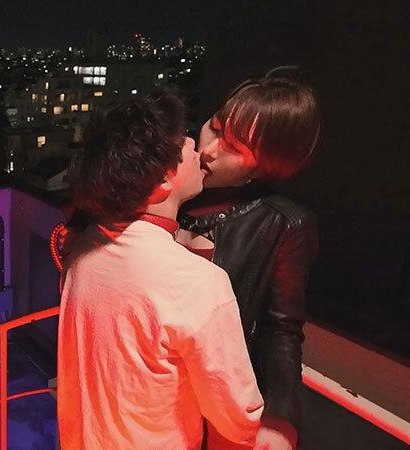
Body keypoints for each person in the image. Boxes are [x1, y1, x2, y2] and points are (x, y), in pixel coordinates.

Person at [55, 93, 264, 450]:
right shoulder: (198, 281)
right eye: (184, 143)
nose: (198, 148)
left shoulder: (84, 249)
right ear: (166, 177)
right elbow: (238, 416)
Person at [178, 67, 321, 450]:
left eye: (236, 148)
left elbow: (282, 329)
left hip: (216, 404)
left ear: (262, 168)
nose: (209, 150)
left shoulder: (282, 223)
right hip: (151, 392)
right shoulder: (170, 188)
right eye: (215, 127)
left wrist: (282, 415)